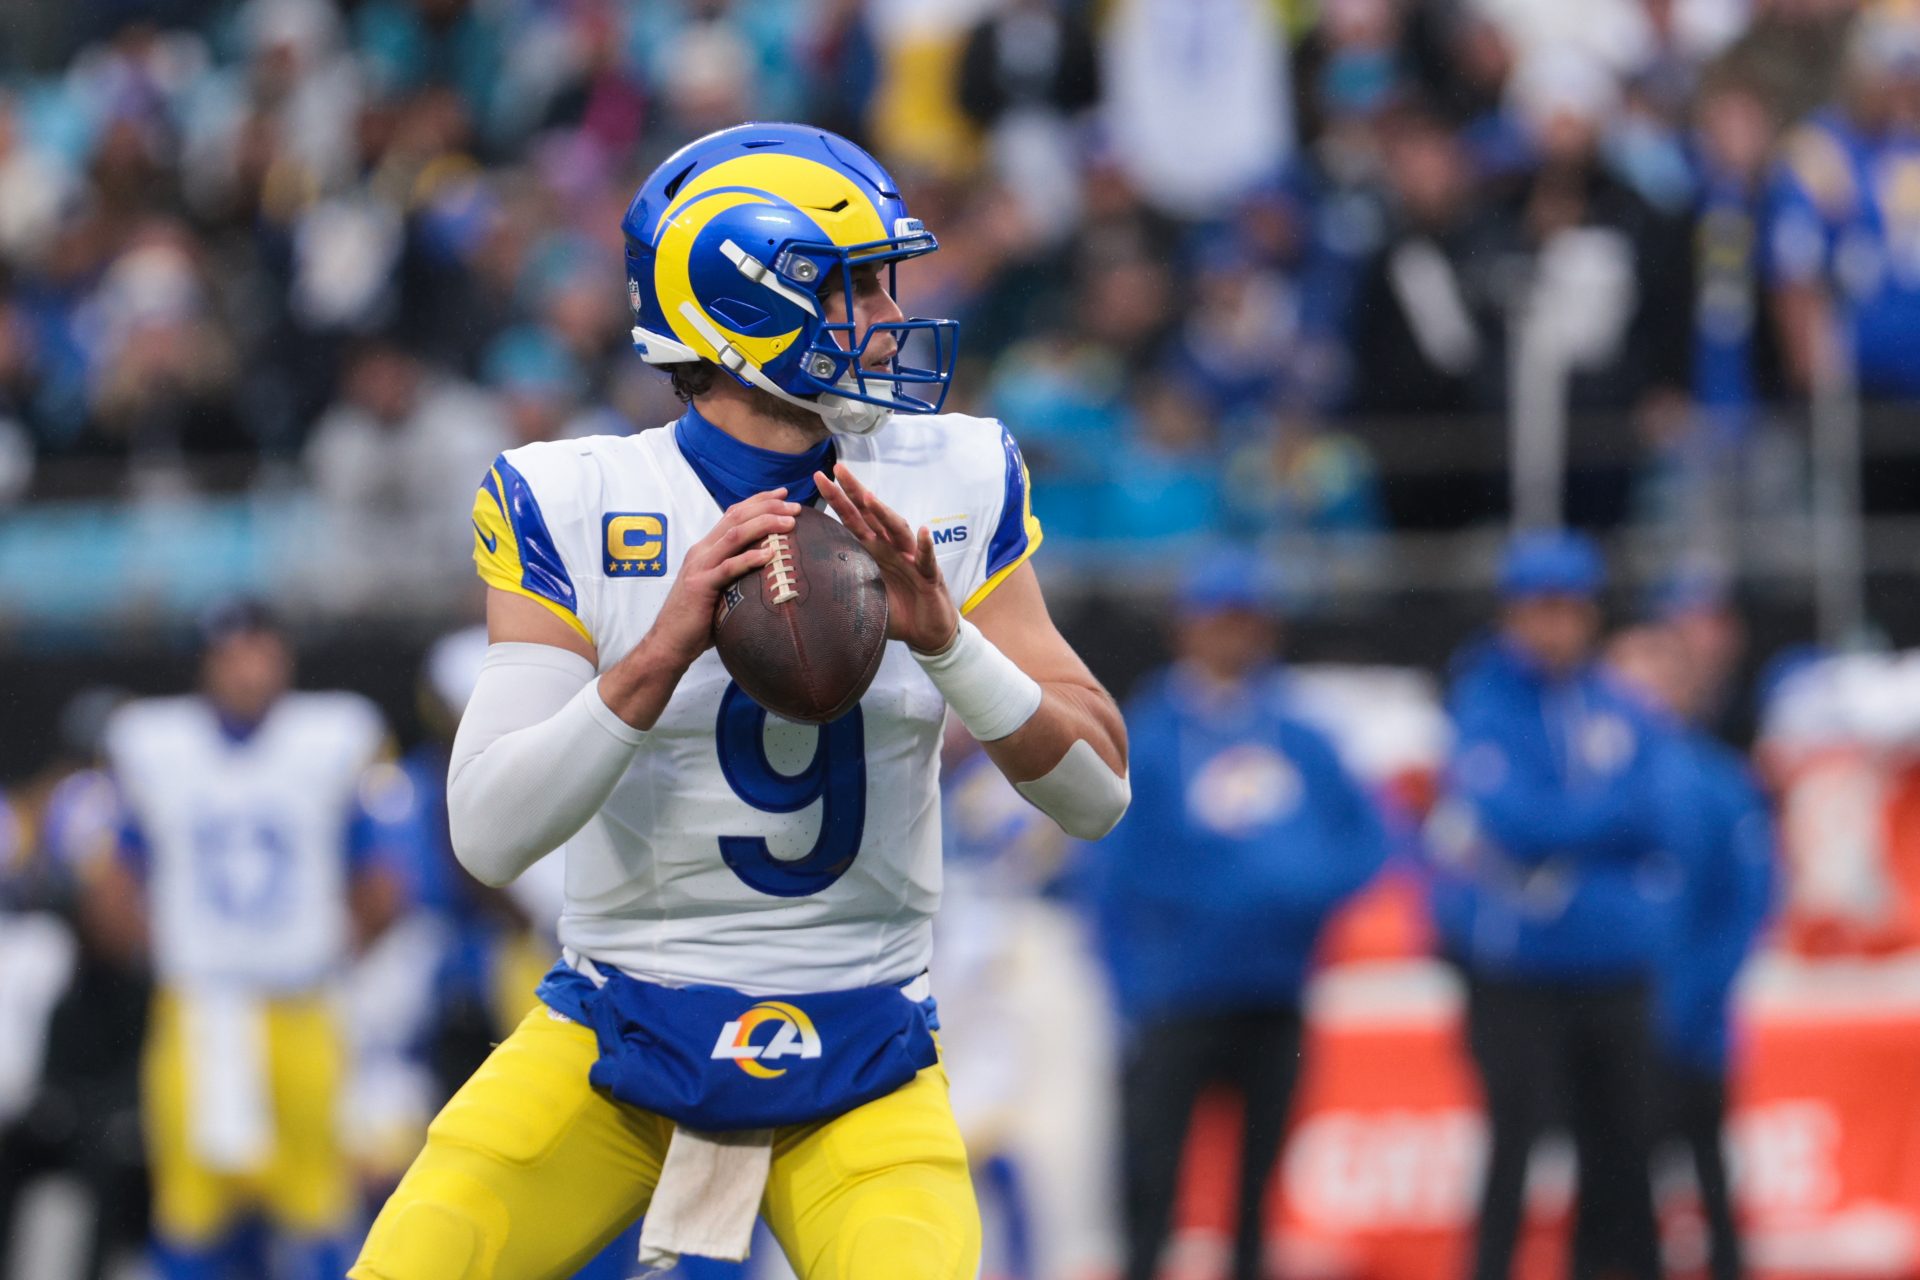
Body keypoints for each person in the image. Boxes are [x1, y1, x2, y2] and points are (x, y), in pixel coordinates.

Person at [351, 121, 1132, 1280]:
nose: (887, 313)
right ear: (742, 301)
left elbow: (1100, 791)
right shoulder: (577, 496)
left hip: (867, 1052)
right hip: (622, 1035)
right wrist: (654, 653)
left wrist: (948, 638)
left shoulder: (950, 473)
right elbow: (488, 828)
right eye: (855, 284)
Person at [1094, 553, 1387, 1280]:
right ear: (1185, 630)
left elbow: (1371, 841)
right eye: (1217, 620)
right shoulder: (1151, 733)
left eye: (1245, 621)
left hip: (1274, 992)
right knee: (1152, 1180)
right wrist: (1132, 983)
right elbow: (1110, 868)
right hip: (1177, 996)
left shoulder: (1302, 733)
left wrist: (1299, 893)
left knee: (1261, 1184)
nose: (1232, 637)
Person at [91, 600, 402, 1280]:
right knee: (194, 1209)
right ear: (207, 665)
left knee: (318, 1201)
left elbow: (380, 881)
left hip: (302, 1005)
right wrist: (172, 953)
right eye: (232, 655)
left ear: (284, 656)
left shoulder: (335, 736)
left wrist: (327, 954)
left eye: (259, 651)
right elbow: (113, 880)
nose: (247, 669)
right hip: (200, 1011)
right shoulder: (154, 742)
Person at [1428, 531, 1669, 1280]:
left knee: (1624, 1148)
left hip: (1613, 962)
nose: (1556, 625)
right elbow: (1513, 825)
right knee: (1516, 1146)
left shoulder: (1617, 702)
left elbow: (1659, 811)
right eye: (1540, 608)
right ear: (1512, 615)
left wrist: (1573, 826)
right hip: (1518, 968)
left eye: (1569, 607)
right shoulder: (1483, 699)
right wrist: (1601, 820)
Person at [1607, 620, 1775, 1280]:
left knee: (1705, 1169)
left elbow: (1749, 902)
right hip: (1613, 1017)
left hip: (1692, 1019)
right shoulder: (1595, 779)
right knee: (1620, 1177)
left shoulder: (1718, 782)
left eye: (1653, 679)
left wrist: (1698, 992)